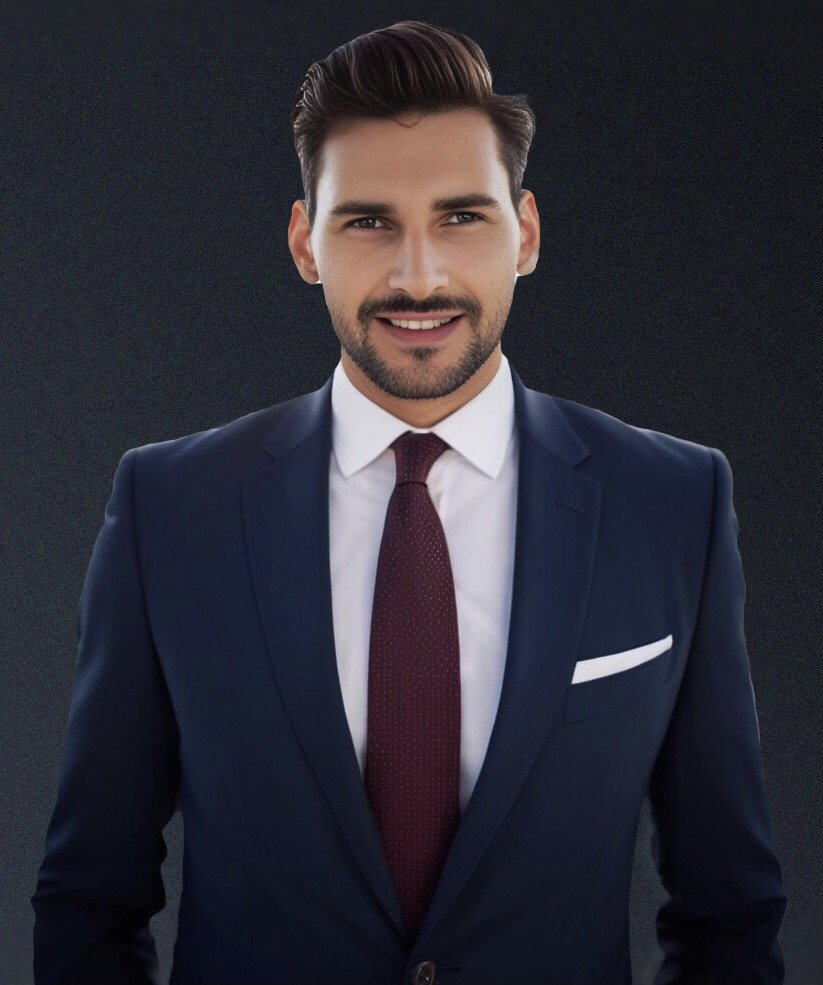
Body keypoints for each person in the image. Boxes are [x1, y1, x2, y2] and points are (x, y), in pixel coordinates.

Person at [32, 19, 786, 985]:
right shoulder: (169, 507)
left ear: (527, 233)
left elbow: (728, 909)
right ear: (306, 241)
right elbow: (91, 895)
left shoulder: (671, 502)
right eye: (368, 220)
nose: (417, 275)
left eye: (461, 217)